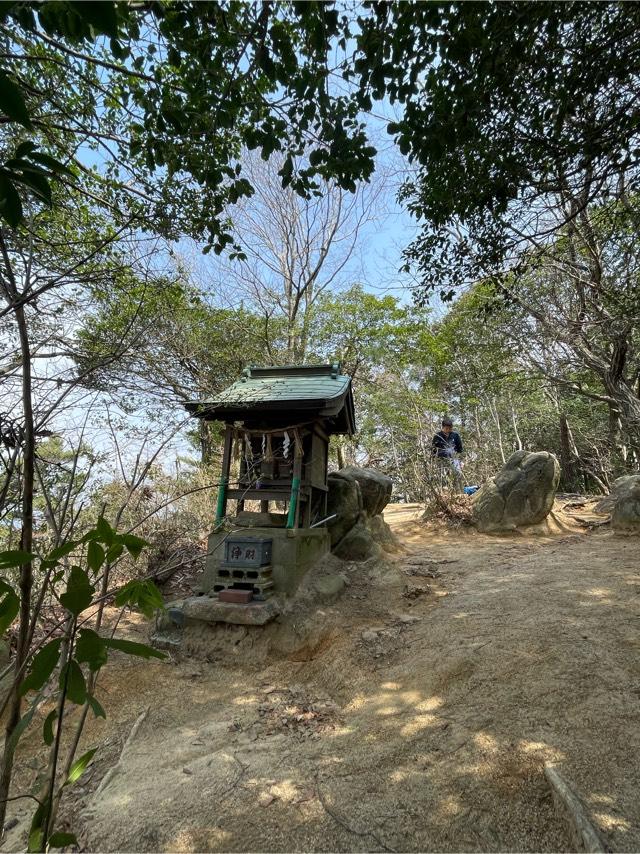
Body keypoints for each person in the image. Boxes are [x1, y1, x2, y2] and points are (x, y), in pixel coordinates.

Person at [431, 417, 464, 491]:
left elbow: (460, 449)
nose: (448, 430)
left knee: (458, 473)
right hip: (441, 459)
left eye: (450, 428)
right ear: (443, 427)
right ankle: (445, 493)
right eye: (446, 428)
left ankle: (459, 491)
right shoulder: (437, 436)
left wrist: (461, 461)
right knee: (443, 477)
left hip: (453, 458)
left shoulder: (455, 435)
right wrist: (434, 460)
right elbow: (433, 449)